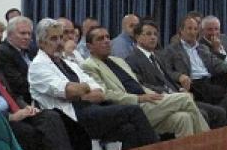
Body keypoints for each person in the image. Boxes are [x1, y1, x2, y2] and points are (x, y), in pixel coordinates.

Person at [28, 18, 159, 150]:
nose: (60, 42)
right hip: (71, 118)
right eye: (54, 39)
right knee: (133, 110)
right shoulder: (38, 66)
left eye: (61, 37)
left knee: (129, 129)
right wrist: (83, 89)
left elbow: (99, 91)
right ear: (41, 42)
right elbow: (70, 90)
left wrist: (81, 93)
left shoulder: (67, 62)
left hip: (90, 109)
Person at [81, 26, 209, 138]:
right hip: (130, 107)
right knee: (185, 98)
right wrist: (138, 98)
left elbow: (137, 84)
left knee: (183, 118)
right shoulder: (89, 66)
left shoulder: (118, 61)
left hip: (147, 101)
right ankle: (208, 144)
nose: (106, 41)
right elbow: (105, 94)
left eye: (107, 37)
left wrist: (155, 95)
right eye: (100, 39)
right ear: (89, 46)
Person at [160, 15, 227, 123]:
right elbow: (165, 72)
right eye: (189, 28)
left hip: (210, 80)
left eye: (195, 29)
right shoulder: (171, 50)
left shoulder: (202, 47)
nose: (192, 32)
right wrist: (179, 76)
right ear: (181, 31)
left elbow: (216, 63)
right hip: (194, 83)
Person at [0, 15, 37, 103]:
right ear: (9, 35)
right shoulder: (2, 53)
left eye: (29, 34)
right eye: (23, 33)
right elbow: (17, 85)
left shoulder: (32, 50)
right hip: (22, 101)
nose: (27, 37)